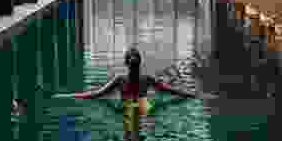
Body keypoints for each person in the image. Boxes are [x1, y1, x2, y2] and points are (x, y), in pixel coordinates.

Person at [53, 48, 210, 113]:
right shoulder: (147, 80)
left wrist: (70, 96)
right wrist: (192, 95)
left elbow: (95, 95)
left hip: (127, 108)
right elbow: (171, 91)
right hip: (143, 107)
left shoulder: (120, 80)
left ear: (126, 64)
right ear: (139, 63)